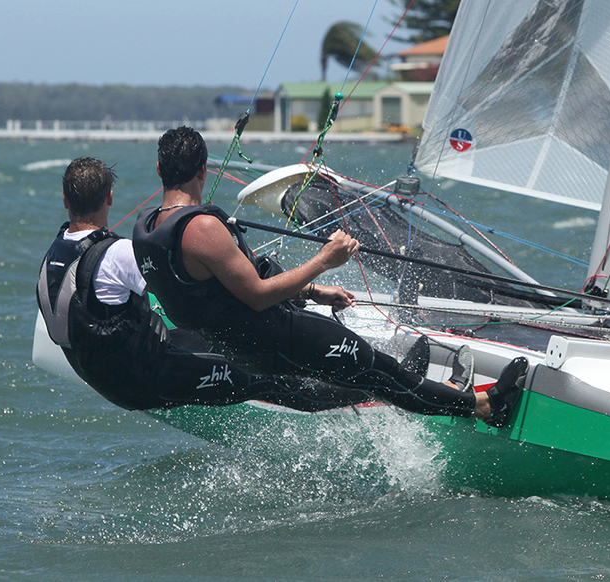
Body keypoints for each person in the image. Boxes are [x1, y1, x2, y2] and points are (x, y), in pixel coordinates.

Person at [132, 127, 527, 426]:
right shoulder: (202, 229)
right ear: (203, 170)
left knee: (354, 382)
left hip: (242, 347)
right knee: (380, 371)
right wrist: (325, 259)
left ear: (159, 169)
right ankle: (483, 405)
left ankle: (417, 393)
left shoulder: (146, 228)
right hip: (278, 332)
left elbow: (217, 292)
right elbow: (256, 294)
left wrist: (314, 290)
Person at [37, 157, 372, 412]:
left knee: (206, 340)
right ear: (109, 198)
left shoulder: (53, 254)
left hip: (104, 377)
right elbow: (233, 286)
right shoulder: (119, 254)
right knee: (264, 379)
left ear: (66, 200)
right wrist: (311, 290)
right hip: (142, 381)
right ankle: (370, 390)